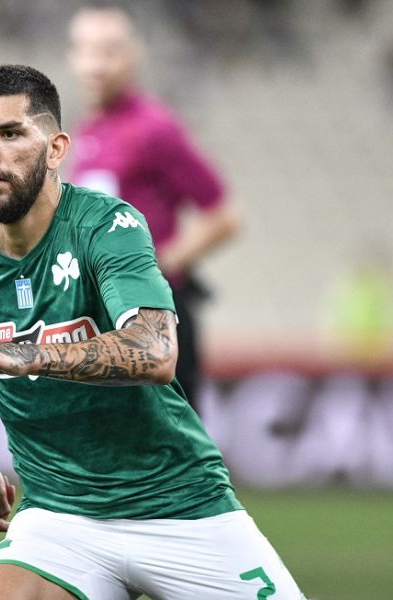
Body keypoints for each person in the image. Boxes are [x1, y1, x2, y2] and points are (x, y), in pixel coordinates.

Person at [0, 65, 303, 599]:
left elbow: (156, 350)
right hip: (59, 517)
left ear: (56, 149)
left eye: (9, 133)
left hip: (180, 507)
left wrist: (27, 353)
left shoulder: (107, 227)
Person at [67, 5, 241, 411]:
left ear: (132, 56)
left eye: (109, 51)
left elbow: (222, 217)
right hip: (104, 314)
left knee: (171, 441)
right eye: (86, 51)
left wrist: (153, 268)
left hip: (154, 314)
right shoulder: (87, 130)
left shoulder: (154, 128)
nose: (96, 65)